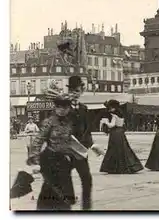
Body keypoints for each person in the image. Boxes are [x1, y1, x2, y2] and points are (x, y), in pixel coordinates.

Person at [27, 94, 76, 211]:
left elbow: (74, 140)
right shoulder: (49, 122)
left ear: (69, 108)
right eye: (59, 107)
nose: (62, 110)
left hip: (64, 160)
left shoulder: (70, 122)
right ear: (55, 107)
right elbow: (38, 141)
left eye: (65, 107)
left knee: (64, 187)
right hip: (49, 159)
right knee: (50, 187)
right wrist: (35, 160)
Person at [67, 75, 102, 211]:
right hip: (66, 150)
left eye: (77, 91)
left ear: (81, 92)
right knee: (64, 178)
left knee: (87, 179)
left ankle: (86, 209)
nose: (74, 94)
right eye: (72, 91)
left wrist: (92, 145)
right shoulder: (63, 108)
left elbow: (87, 130)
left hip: (80, 151)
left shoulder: (84, 108)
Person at [100, 100, 143, 174]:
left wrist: (105, 122)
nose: (110, 110)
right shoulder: (121, 114)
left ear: (114, 107)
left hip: (115, 133)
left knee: (113, 150)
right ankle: (130, 166)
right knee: (124, 149)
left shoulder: (114, 116)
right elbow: (122, 124)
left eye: (110, 108)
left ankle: (114, 168)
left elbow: (112, 125)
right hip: (121, 133)